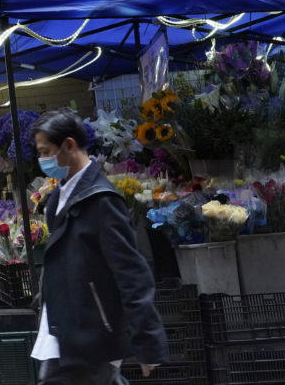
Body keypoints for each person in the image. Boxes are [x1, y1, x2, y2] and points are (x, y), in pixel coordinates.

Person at [30, 108, 167, 385]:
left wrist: (147, 342)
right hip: (62, 331)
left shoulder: (103, 202)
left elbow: (132, 274)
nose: (42, 160)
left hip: (89, 335)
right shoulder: (58, 200)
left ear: (69, 145)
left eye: (46, 152)